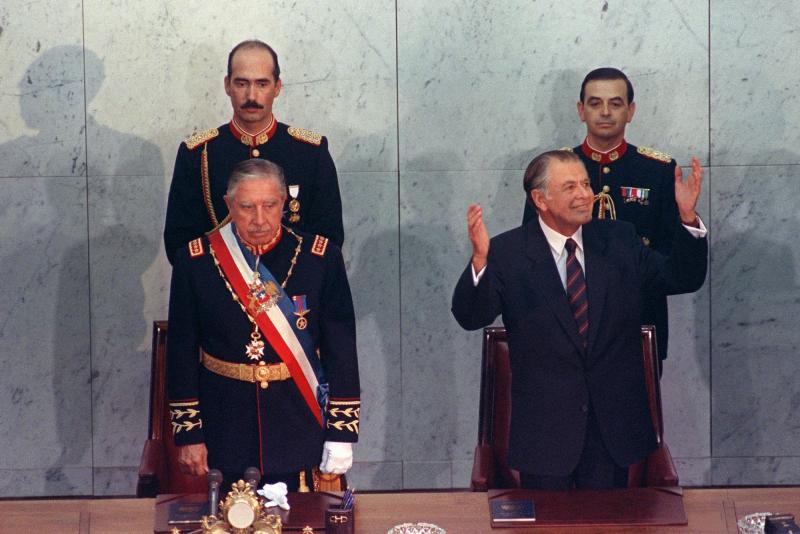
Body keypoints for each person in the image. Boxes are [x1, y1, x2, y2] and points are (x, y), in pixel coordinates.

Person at [455, 150, 707, 489]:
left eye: (586, 184)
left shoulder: (619, 240)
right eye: (571, 186)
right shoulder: (508, 252)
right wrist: (481, 261)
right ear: (540, 199)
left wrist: (688, 218)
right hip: (545, 439)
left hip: (614, 434)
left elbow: (681, 278)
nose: (585, 194)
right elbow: (471, 316)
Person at [166, 158, 359, 492]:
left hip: (297, 425)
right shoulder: (195, 261)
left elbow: (340, 347)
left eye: (269, 205)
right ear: (228, 205)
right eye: (246, 207)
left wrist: (342, 432)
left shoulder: (320, 257)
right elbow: (181, 350)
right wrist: (189, 433)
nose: (259, 219)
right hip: (224, 429)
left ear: (284, 202)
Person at [523, 67, 680, 367]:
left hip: (636, 323)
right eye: (595, 103)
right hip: (565, 327)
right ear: (581, 110)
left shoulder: (657, 171)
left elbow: (669, 259)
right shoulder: (550, 169)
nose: (605, 112)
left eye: (616, 103)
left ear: (630, 111)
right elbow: (532, 250)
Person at [164, 40, 344, 264]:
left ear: (277, 87)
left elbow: (328, 239)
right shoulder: (198, 154)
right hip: (221, 291)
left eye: (262, 84)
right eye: (241, 84)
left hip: (291, 291)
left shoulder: (310, 152)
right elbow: (179, 244)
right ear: (227, 85)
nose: (251, 95)